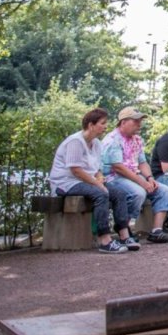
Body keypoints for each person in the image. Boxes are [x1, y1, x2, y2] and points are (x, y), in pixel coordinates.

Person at [47, 108, 132, 254]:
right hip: (66, 183)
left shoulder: (97, 143)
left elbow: (96, 168)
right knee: (101, 194)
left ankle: (125, 236)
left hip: (86, 181)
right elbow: (76, 170)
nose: (105, 126)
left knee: (119, 194)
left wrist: (99, 177)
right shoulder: (75, 141)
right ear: (91, 125)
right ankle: (104, 240)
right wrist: (98, 184)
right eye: (102, 123)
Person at [101, 108, 168, 244]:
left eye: (140, 121)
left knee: (164, 190)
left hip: (134, 176)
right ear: (123, 122)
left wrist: (150, 178)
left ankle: (157, 231)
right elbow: (118, 167)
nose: (139, 124)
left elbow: (142, 162)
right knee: (138, 193)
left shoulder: (137, 140)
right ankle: (124, 227)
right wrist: (142, 183)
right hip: (114, 177)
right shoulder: (113, 140)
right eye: (136, 121)